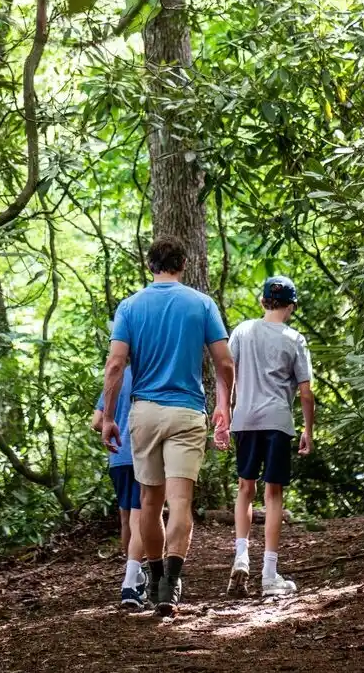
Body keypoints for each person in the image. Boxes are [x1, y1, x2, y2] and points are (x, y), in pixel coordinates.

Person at [101, 235, 233, 619]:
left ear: (149, 265)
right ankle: (171, 586)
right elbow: (225, 364)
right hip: (187, 412)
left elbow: (114, 366)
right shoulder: (202, 304)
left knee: (148, 503)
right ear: (184, 264)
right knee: (180, 503)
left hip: (144, 413)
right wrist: (225, 406)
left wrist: (110, 417)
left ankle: (155, 575)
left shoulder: (130, 307)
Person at [226, 275, 314, 599]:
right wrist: (308, 429)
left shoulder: (242, 332)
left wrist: (226, 411)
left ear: (263, 301)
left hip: (245, 419)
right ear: (291, 306)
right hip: (277, 421)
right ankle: (269, 574)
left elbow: (227, 375)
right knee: (273, 495)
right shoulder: (294, 339)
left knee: (245, 488)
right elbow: (306, 393)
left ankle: (241, 556)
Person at [91, 363, 151, 611]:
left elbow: (96, 421)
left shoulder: (115, 379)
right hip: (141, 454)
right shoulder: (151, 372)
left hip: (117, 457)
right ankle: (132, 581)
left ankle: (132, 573)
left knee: (127, 518)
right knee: (141, 517)